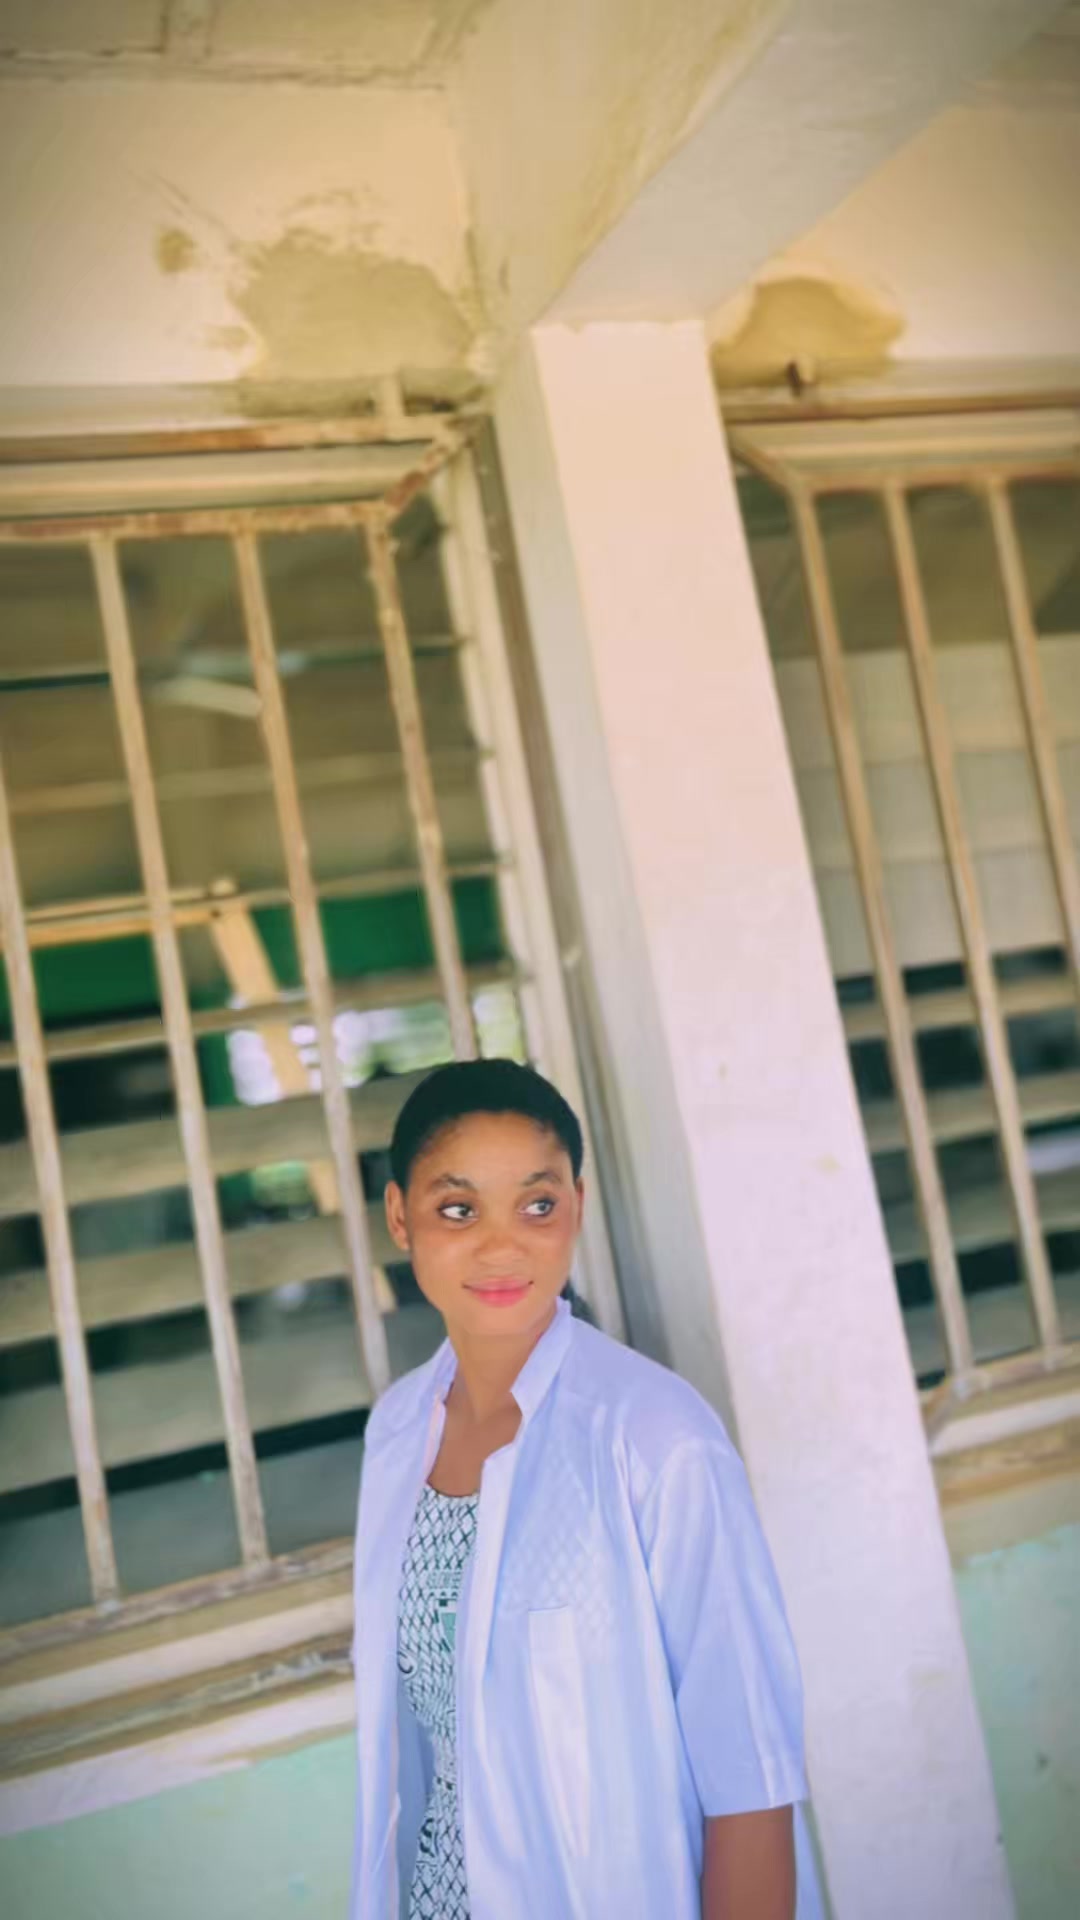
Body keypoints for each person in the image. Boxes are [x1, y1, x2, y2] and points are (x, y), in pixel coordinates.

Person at [350, 1058, 814, 1920]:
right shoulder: (396, 1434)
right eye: (459, 1210)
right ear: (400, 1218)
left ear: (577, 1206)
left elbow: (750, 1779)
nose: (502, 1246)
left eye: (537, 1205)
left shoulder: (656, 1441)